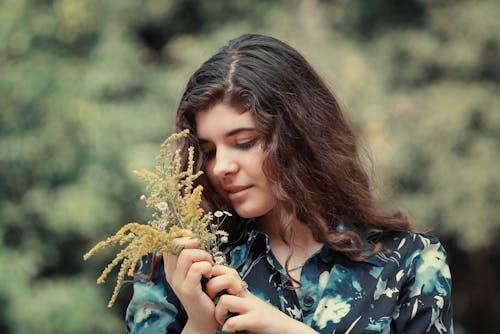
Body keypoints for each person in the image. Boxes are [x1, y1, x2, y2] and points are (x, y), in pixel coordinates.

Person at [125, 34, 453, 334]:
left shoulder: (409, 263)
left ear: (298, 135)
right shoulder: (178, 269)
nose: (221, 167)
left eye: (244, 142)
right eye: (209, 151)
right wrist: (199, 322)